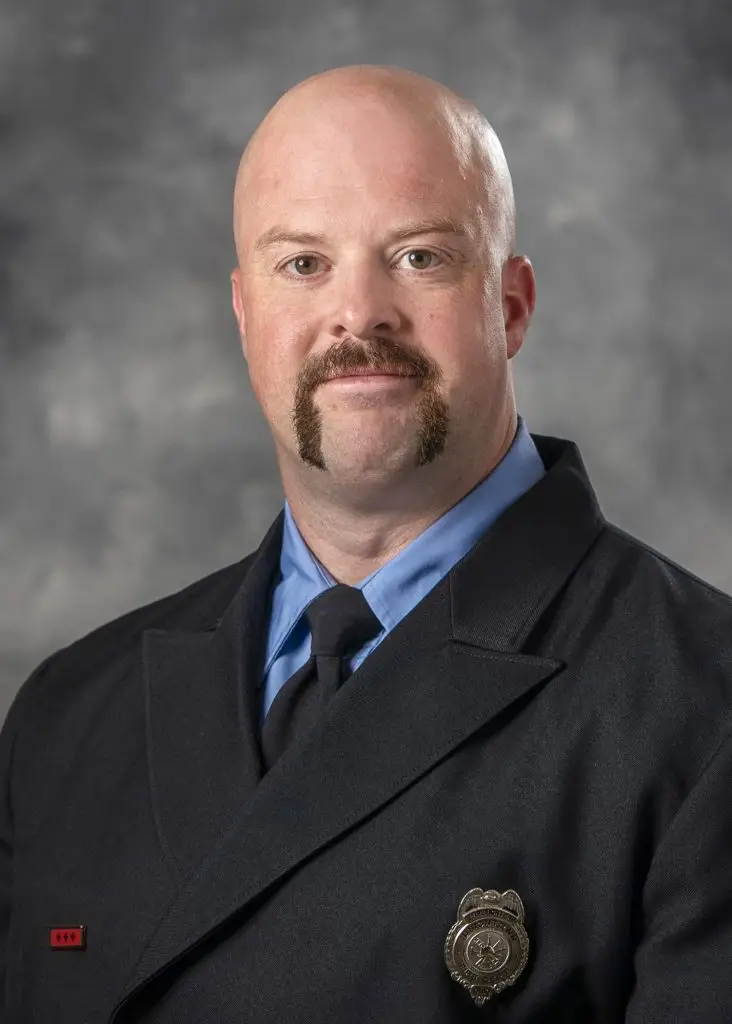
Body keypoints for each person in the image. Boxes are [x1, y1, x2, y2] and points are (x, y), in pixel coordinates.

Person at [1, 64, 730, 1024]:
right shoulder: (65, 718)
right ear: (245, 315)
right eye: (303, 263)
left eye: (421, 256)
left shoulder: (704, 706)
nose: (360, 313)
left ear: (510, 307)